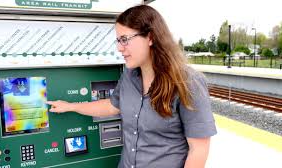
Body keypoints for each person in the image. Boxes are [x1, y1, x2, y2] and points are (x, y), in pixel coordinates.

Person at [47, 5, 217, 168]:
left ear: (150, 37)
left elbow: (199, 149)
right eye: (118, 40)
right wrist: (70, 107)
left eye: (125, 39)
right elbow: (112, 106)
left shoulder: (188, 82)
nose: (119, 48)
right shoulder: (129, 76)